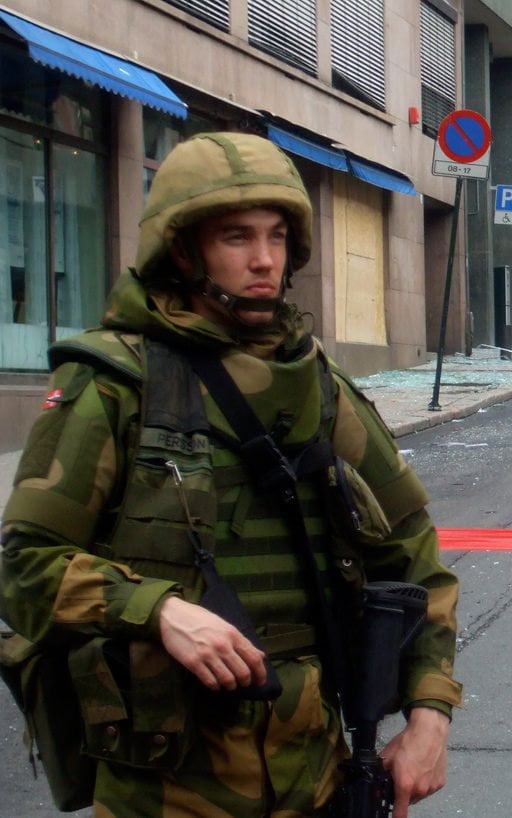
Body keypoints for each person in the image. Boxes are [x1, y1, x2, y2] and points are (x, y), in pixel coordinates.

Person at [0, 133, 461, 817]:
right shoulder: (116, 385)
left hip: (316, 774)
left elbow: (414, 554)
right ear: (182, 249)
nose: (265, 260)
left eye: (277, 237)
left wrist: (429, 715)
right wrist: (157, 611)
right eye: (236, 237)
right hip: (166, 790)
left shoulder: (317, 385)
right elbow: (26, 570)